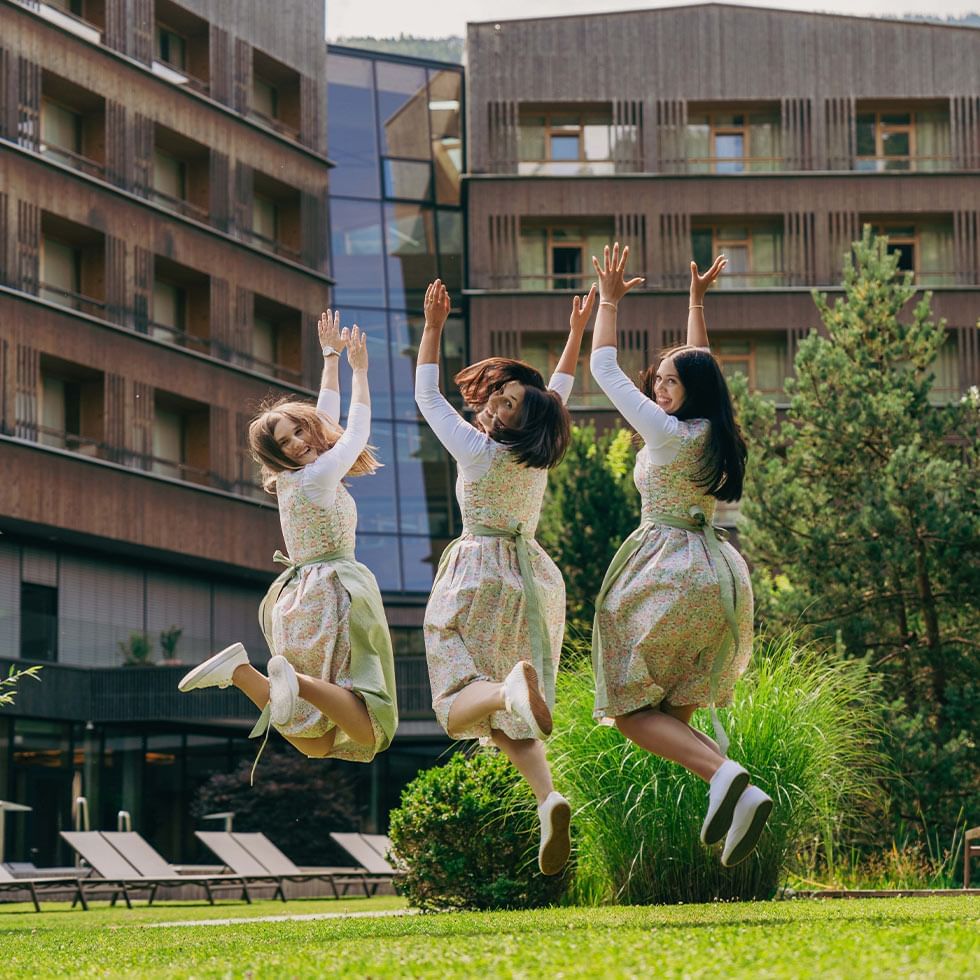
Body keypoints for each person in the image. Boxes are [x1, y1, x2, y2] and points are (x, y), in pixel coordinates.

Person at [589, 243, 769, 867]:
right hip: (717, 577)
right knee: (669, 714)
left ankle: (726, 778)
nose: (660, 386)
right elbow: (706, 365)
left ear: (689, 391)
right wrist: (696, 303)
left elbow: (605, 370)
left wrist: (608, 302)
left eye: (671, 381)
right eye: (658, 379)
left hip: (667, 572)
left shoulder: (666, 434)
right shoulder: (714, 431)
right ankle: (736, 791)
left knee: (632, 710)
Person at [414, 278, 595, 875]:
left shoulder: (477, 449)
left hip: (477, 572)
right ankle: (550, 800)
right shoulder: (535, 449)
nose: (492, 404)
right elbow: (558, 391)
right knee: (504, 724)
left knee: (452, 702)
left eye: (506, 402)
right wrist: (575, 336)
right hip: (531, 580)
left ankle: (507, 688)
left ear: (519, 418)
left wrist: (435, 325)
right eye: (496, 396)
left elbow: (426, 395)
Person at [178, 312, 397, 779]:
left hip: (299, 599)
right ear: (275, 456)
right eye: (287, 440)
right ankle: (293, 681)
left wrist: (331, 357)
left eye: (299, 431)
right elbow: (352, 431)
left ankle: (242, 671)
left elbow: (324, 419)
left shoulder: (293, 481)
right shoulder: (316, 477)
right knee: (369, 730)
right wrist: (360, 370)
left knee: (315, 742)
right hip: (330, 596)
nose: (300, 440)